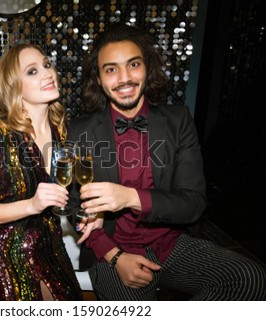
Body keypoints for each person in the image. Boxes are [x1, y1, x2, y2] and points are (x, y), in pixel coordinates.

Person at [68, 23, 266, 300]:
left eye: (133, 64)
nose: (124, 78)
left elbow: (193, 203)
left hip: (170, 245)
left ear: (147, 68)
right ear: (99, 79)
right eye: (111, 69)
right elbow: (74, 206)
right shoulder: (79, 130)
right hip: (113, 251)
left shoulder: (178, 121)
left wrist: (130, 197)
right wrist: (115, 257)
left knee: (249, 278)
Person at [0, 44, 82, 300]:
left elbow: (66, 195)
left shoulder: (61, 130)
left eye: (47, 65)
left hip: (49, 243)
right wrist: (31, 205)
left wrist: (90, 216)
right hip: (5, 250)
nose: (47, 73)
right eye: (32, 71)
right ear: (14, 87)